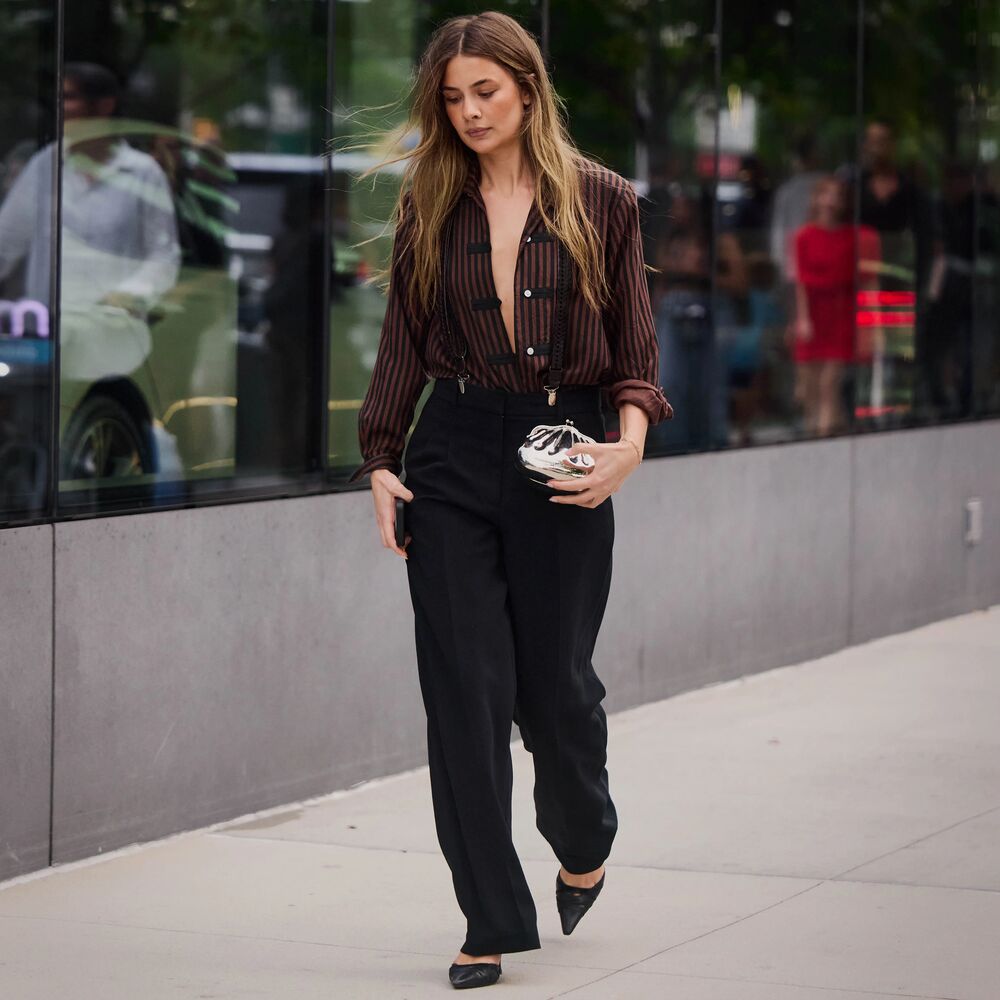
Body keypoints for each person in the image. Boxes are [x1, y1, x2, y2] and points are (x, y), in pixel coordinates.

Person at [347, 11, 673, 990]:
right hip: (451, 452)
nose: (469, 111)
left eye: (485, 91)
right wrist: (380, 458)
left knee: (555, 694)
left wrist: (628, 447)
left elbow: (635, 350)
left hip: (563, 450)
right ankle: (488, 915)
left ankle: (584, 834)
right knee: (465, 694)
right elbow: (403, 341)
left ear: (527, 89)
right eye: (452, 97)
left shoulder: (603, 200)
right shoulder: (430, 203)